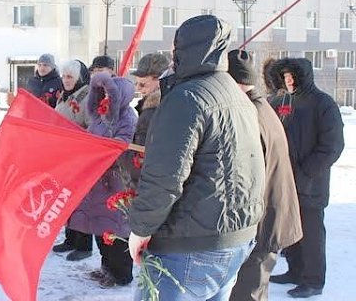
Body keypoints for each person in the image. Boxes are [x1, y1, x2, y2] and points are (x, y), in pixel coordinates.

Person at [128, 15, 266, 300]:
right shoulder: (237, 95)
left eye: (174, 48)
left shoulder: (187, 98)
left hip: (190, 246)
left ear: (184, 50)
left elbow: (165, 177)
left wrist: (140, 229)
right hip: (235, 238)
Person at [227, 49, 303, 301]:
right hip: (269, 215)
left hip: (265, 220)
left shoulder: (252, 114)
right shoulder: (259, 105)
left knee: (248, 294)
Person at [268, 58, 345, 298]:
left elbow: (332, 146)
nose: (289, 80)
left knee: (311, 234)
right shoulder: (281, 101)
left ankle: (313, 280)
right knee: (289, 229)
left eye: (292, 76)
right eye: (285, 76)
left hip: (311, 183)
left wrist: (305, 173)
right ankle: (295, 270)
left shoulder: (323, 103)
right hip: (284, 180)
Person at [67, 71, 137, 288]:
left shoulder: (128, 117)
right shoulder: (101, 115)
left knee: (117, 230)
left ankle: (122, 274)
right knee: (101, 227)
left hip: (116, 183)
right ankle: (107, 268)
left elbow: (122, 145)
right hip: (98, 180)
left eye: (110, 93)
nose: (106, 97)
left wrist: (102, 149)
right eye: (103, 92)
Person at [52, 60, 94, 261]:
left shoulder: (87, 97)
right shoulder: (65, 95)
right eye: (64, 76)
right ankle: (70, 239)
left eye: (70, 77)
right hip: (64, 155)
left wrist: (74, 136)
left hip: (81, 157)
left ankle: (84, 244)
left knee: (81, 202)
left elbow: (92, 127)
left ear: (79, 78)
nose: (65, 80)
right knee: (66, 199)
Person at [122, 53, 171, 186]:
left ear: (160, 81)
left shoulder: (151, 113)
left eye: (143, 85)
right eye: (137, 84)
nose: (138, 89)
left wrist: (119, 152)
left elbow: (140, 159)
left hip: (146, 186)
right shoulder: (170, 105)